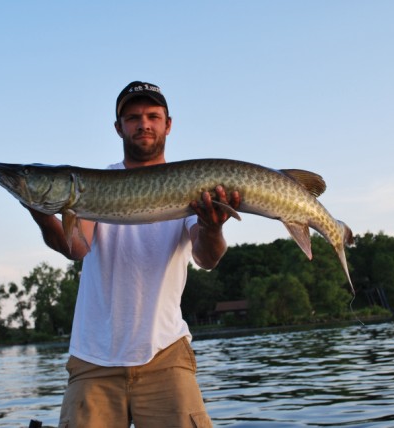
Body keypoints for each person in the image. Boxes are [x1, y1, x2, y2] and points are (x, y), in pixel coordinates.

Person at [24, 81, 241, 428]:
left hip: (166, 353)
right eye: (133, 118)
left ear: (168, 124)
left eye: (153, 116)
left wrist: (213, 228)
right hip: (93, 358)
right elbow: (75, 247)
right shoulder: (92, 186)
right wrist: (41, 212)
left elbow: (207, 257)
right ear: (118, 127)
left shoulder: (191, 187)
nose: (144, 124)